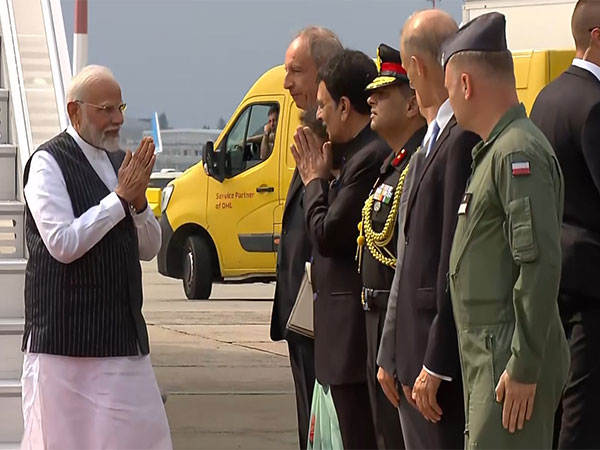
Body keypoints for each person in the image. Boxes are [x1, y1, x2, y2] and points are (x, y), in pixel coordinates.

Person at [20, 65, 172, 449]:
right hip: (65, 347)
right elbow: (62, 243)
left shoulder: (119, 161)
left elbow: (150, 247)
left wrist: (137, 203)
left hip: (122, 343)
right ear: (75, 112)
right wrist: (119, 198)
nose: (117, 119)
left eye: (119, 107)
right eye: (105, 110)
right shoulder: (47, 164)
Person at [443, 12, 570, 449]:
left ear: (465, 84)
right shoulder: (496, 151)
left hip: (508, 358)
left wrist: (524, 365)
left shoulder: (517, 152)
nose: (450, 105)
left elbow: (538, 261)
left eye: (449, 92)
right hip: (493, 354)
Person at [385, 9, 481, 449]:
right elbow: (407, 259)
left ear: (416, 68)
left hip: (433, 364)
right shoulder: (429, 141)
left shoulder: (459, 139)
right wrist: (391, 351)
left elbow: (450, 262)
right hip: (411, 356)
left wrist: (436, 361)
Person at [291, 49, 389, 450]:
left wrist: (315, 181)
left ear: (345, 106)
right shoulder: (352, 158)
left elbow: (329, 235)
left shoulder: (368, 158)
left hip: (352, 346)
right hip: (339, 346)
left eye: (325, 106)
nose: (321, 117)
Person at [529, 1, 600, 447]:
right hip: (591, 284)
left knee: (558, 410)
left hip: (552, 275)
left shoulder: (546, 98)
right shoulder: (593, 104)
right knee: (584, 416)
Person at [271, 26, 342, 450]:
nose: (287, 82)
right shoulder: (310, 137)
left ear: (325, 73)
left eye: (296, 70)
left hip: (325, 319)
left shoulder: (339, 145)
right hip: (302, 319)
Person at [358, 43, 426, 450]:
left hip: (396, 320)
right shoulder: (394, 163)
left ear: (412, 103)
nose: (371, 99)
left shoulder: (419, 161)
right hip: (375, 318)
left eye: (382, 93)